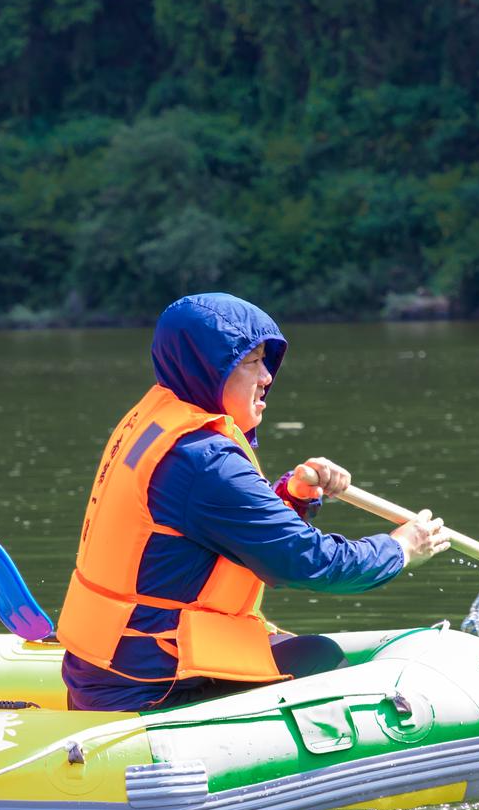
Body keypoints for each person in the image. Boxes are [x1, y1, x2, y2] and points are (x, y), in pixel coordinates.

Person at [56, 292, 450, 711]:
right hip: (150, 685)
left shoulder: (158, 423)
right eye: (250, 362)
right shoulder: (203, 460)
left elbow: (211, 536)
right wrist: (400, 548)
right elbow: (306, 561)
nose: (267, 376)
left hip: (109, 665)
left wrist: (293, 496)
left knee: (307, 653)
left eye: (267, 360)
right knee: (323, 662)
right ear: (209, 368)